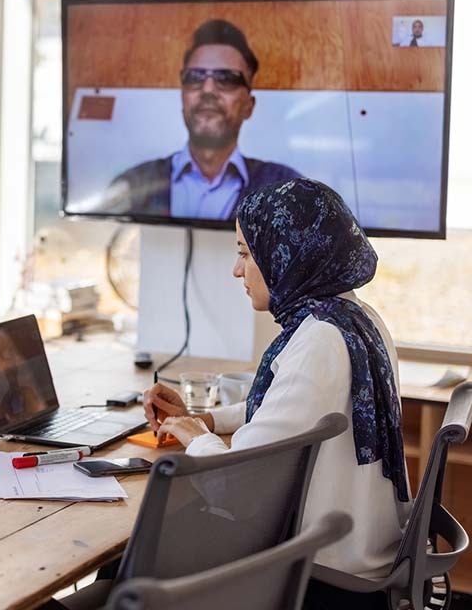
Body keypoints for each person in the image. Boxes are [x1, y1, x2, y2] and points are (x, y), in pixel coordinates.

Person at [145, 178, 410, 610]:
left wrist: (195, 437)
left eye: (245, 254)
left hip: (322, 577)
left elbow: (240, 489)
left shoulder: (318, 340)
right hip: (364, 556)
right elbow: (290, 399)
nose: (237, 270)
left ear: (288, 256)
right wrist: (209, 421)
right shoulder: (356, 318)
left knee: (133, 559)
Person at [99, 19, 300, 220]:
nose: (208, 90)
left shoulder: (285, 190)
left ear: (249, 105)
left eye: (227, 78)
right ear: (183, 97)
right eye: (195, 77)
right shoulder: (134, 187)